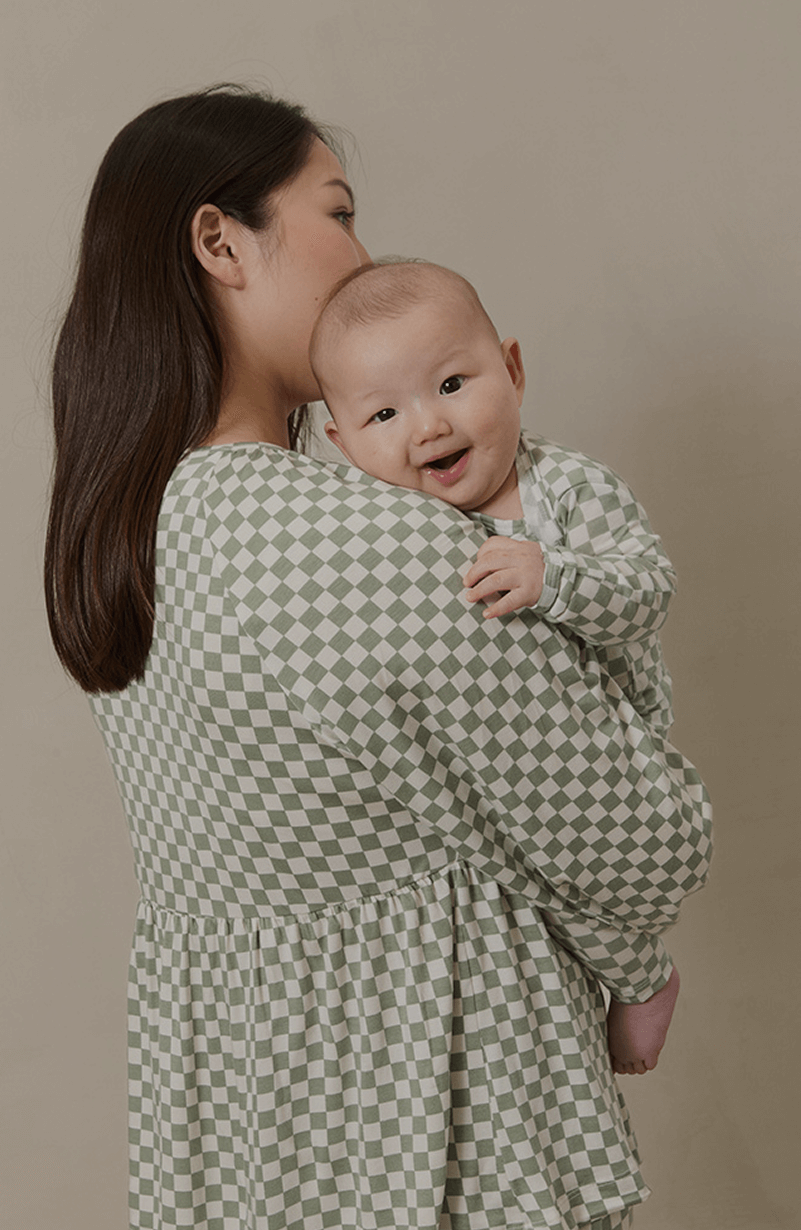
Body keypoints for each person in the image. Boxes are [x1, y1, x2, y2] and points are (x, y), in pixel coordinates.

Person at [44, 85, 711, 1230]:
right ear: (220, 241)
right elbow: (641, 839)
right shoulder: (365, 541)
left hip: (243, 1137)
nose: (363, 254)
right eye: (338, 212)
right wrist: (634, 958)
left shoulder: (126, 531)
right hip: (441, 1133)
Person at [309, 257, 685, 1072]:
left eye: (450, 385)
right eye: (383, 413)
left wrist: (555, 578)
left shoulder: (567, 489)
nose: (428, 426)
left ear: (511, 370)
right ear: (341, 445)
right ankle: (626, 981)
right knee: (513, 887)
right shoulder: (388, 522)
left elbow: (649, 587)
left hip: (606, 749)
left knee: (580, 869)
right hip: (492, 774)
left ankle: (644, 974)